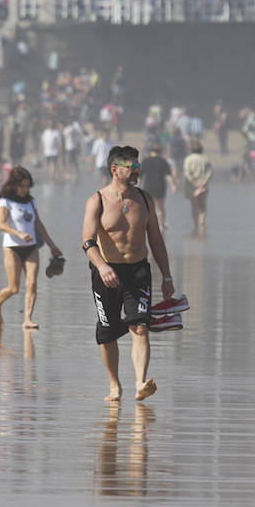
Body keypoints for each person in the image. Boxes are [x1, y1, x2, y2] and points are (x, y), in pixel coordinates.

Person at [81, 145, 175, 402]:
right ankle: (114, 385)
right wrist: (102, 266)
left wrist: (167, 276)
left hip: (138, 271)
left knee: (140, 326)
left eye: (138, 166)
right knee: (107, 331)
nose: (137, 171)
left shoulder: (144, 199)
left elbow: (156, 240)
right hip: (106, 273)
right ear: (115, 169)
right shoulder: (97, 200)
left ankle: (139, 383)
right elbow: (87, 242)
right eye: (131, 167)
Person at [0, 167, 63, 329]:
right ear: (14, 185)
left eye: (27, 186)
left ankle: (27, 319)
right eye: (22, 186)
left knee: (32, 283)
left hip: (31, 247)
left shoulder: (31, 201)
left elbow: (38, 224)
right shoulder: (5, 201)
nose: (25, 189)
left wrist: (52, 246)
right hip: (12, 247)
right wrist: (19, 233)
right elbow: (1, 224)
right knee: (14, 287)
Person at [140, 143, 176, 231]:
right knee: (161, 208)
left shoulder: (145, 161)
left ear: (151, 151)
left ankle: (147, 226)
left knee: (148, 208)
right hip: (160, 186)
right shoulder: (163, 161)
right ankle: (162, 226)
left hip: (148, 187)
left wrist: (137, 186)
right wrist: (173, 185)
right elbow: (168, 175)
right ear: (160, 152)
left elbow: (140, 176)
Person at [182, 140, 213, 236]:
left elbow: (187, 173)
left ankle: (195, 225)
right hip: (203, 185)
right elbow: (210, 172)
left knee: (194, 206)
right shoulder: (206, 159)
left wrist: (194, 182)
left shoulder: (188, 159)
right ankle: (202, 221)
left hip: (192, 186)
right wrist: (203, 182)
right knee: (203, 205)